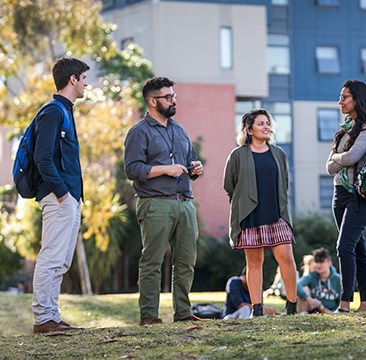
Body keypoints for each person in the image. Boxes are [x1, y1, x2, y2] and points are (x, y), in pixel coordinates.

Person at [124, 77, 205, 325]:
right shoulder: (139, 132)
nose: (173, 100)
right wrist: (165, 169)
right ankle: (149, 315)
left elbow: (189, 160)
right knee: (152, 261)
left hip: (185, 202)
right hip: (155, 203)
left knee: (186, 262)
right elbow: (132, 169)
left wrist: (195, 168)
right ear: (152, 101)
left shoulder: (179, 130)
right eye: (168, 97)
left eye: (174, 96)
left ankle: (183, 314)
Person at [31, 57, 89, 334]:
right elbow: (42, 158)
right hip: (58, 198)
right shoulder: (53, 111)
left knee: (62, 260)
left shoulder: (65, 110)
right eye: (84, 78)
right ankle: (43, 319)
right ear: (73, 79)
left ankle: (52, 316)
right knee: (51, 257)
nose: (87, 84)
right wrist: (64, 194)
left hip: (69, 198)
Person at [223, 109, 299, 317]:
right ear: (249, 130)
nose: (266, 127)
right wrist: (242, 203)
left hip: (276, 213)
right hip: (250, 214)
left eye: (268, 123)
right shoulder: (237, 155)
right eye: (260, 124)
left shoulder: (279, 154)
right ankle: (257, 309)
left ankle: (291, 307)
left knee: (286, 257)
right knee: (254, 262)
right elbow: (229, 185)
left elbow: (284, 182)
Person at [325, 80, 366, 313]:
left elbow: (352, 156)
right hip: (339, 193)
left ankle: (344, 304)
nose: (340, 102)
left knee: (344, 246)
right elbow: (329, 168)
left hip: (360, 194)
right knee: (357, 248)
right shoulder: (344, 128)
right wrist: (342, 158)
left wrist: (339, 158)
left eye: (344, 97)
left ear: (357, 98)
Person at [296, 248, 341, 314]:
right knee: (303, 289)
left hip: (332, 312)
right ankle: (303, 316)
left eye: (321, 262)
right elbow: (297, 285)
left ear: (329, 263)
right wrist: (309, 299)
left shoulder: (338, 279)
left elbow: (341, 302)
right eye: (316, 262)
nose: (318, 265)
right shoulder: (312, 275)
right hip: (313, 308)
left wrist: (332, 311)